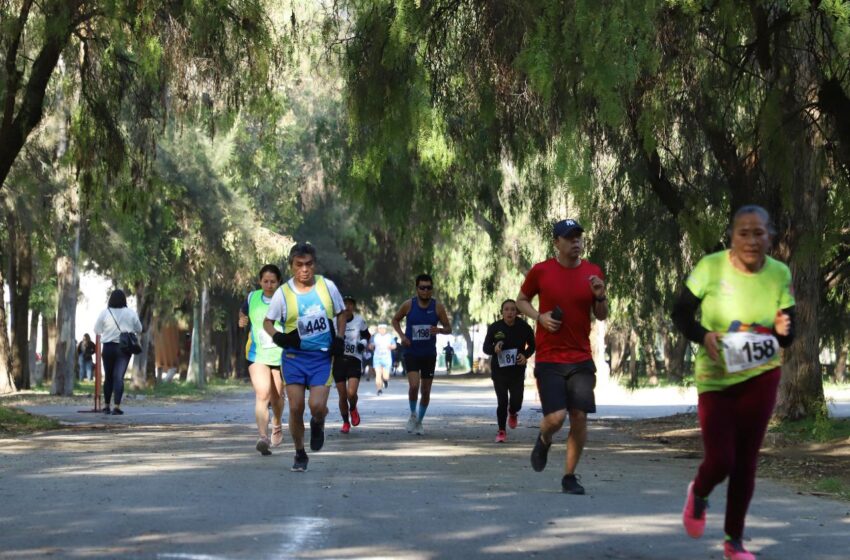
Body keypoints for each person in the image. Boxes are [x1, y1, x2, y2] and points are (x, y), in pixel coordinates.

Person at [671, 205, 794, 560]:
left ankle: (733, 541)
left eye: (759, 233)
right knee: (722, 459)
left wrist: (784, 330)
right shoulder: (710, 267)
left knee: (746, 461)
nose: (752, 240)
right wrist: (704, 335)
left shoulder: (779, 273)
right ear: (732, 236)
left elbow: (786, 332)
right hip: (716, 376)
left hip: (761, 374)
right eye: (744, 233)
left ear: (770, 236)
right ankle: (700, 490)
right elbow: (680, 312)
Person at [516, 219, 607, 495]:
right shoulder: (541, 271)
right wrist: (539, 317)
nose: (576, 242)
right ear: (557, 242)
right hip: (549, 357)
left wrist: (601, 297)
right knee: (555, 418)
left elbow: (601, 315)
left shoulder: (592, 272)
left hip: (580, 357)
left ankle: (570, 475)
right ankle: (544, 438)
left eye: (579, 236)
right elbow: (521, 300)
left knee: (579, 416)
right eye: (569, 238)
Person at [264, 243, 346, 472]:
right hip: (293, 358)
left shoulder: (327, 286)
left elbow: (341, 313)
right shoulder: (283, 293)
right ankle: (300, 452)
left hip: (321, 358)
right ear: (291, 266)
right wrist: (278, 337)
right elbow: (267, 323)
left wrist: (339, 338)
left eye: (309, 264)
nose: (304, 269)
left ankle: (318, 422)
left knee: (317, 406)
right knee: (297, 407)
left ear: (314, 264)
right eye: (299, 265)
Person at [392, 273, 452, 435]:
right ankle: (412, 414)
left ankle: (419, 421)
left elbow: (449, 328)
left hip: (429, 354)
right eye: (422, 287)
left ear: (432, 289)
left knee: (425, 391)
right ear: (417, 289)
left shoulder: (437, 307)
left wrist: (438, 330)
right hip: (411, 351)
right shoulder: (408, 305)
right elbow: (395, 320)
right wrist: (402, 337)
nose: (425, 291)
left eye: (428, 288)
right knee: (414, 386)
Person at [238, 264, 286, 456]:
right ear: (260, 281)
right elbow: (243, 312)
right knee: (262, 394)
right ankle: (263, 437)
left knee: (277, 396)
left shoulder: (286, 299)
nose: (268, 285)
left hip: (281, 354)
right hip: (257, 353)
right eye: (265, 281)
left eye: (272, 281)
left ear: (279, 282)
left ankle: (277, 423)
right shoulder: (252, 297)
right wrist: (242, 319)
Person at [483, 299, 536, 443]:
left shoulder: (524, 327)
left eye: (513, 309)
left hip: (517, 371)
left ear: (517, 312)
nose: (510, 312)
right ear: (502, 312)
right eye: (506, 309)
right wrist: (494, 348)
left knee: (516, 401)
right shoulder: (495, 327)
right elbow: (485, 348)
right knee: (502, 401)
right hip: (499, 372)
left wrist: (525, 355)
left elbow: (533, 345)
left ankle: (513, 412)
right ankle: (501, 431)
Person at [94, 290, 143, 415]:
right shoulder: (131, 313)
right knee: (118, 377)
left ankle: (106, 406)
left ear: (110, 300)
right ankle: (116, 406)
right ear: (124, 300)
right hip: (124, 349)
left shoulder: (105, 313)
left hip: (108, 348)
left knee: (108, 377)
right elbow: (139, 328)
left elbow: (97, 330)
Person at [335, 296, 371, 433]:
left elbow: (367, 335)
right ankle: (345, 422)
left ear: (353, 307)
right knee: (342, 396)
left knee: (351, 393)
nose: (347, 307)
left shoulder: (359, 320)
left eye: (350, 304)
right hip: (339, 361)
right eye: (345, 304)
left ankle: (353, 408)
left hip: (354, 359)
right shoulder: (334, 321)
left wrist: (363, 344)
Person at [371, 324, 395, 395]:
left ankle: (385, 381)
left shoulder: (389, 337)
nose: (382, 330)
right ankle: (379, 389)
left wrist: (391, 346)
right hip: (377, 358)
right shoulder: (375, 337)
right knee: (378, 374)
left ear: (386, 329)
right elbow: (370, 345)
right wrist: (371, 346)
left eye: (383, 328)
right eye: (380, 328)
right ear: (378, 329)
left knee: (385, 376)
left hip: (386, 358)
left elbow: (394, 345)